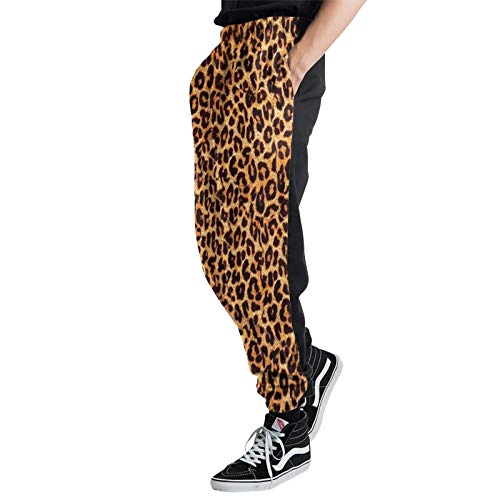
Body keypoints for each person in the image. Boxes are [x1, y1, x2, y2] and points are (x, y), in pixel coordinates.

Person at [189, 0, 366, 491]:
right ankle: (306, 361)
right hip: (232, 54)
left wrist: (300, 57)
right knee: (222, 248)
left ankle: (290, 423)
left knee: (262, 247)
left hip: (278, 48)